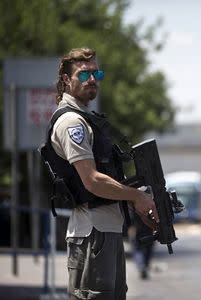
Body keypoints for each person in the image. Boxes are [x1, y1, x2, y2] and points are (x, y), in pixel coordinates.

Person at [47, 47, 159, 299]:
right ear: (66, 80)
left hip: (105, 230)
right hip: (92, 234)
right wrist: (136, 197)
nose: (93, 79)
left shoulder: (86, 119)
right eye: (84, 74)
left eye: (97, 73)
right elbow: (92, 181)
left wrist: (136, 202)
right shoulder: (72, 123)